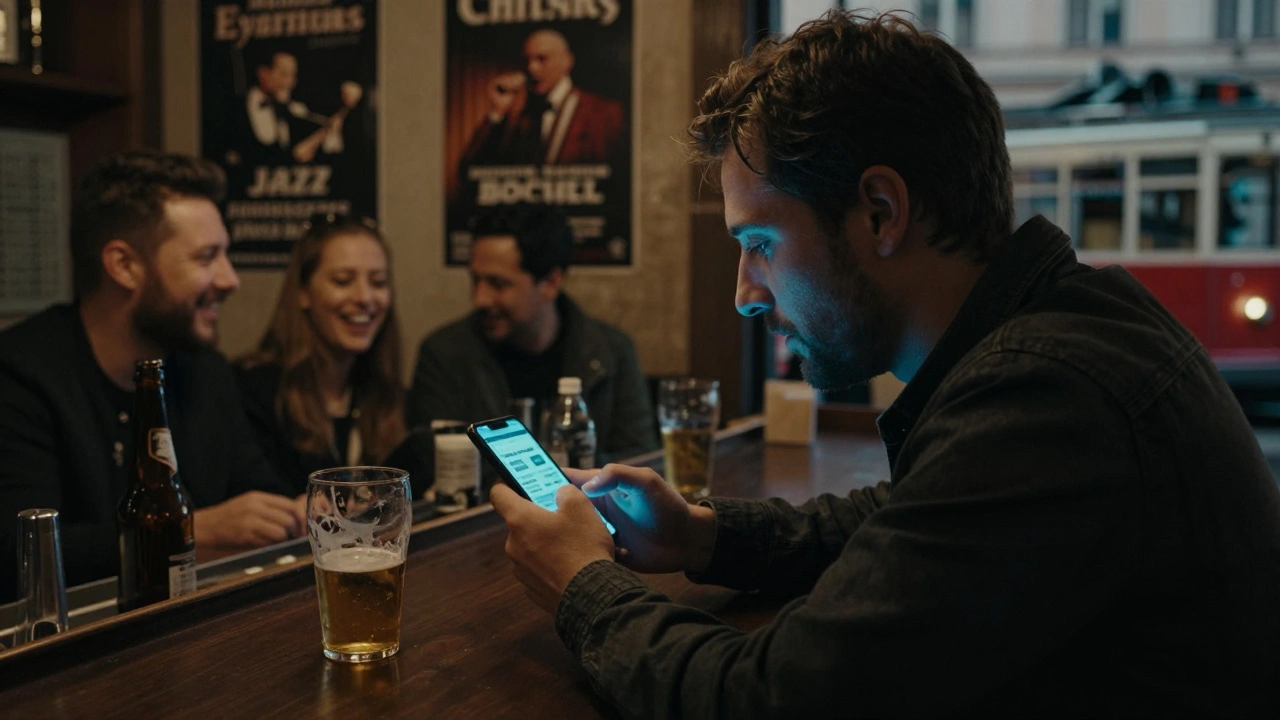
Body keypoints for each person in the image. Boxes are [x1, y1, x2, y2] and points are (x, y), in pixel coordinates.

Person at [487, 11, 1280, 718]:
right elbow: (908, 517)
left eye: (760, 244)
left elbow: (771, 699)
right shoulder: (1059, 335)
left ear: (879, 213)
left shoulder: (1050, 398)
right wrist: (700, 536)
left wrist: (582, 585)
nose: (744, 295)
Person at [0, 151, 306, 601]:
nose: (230, 279)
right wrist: (191, 529)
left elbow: (256, 491)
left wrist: (290, 515)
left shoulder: (204, 369)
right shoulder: (21, 373)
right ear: (124, 265)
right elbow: (18, 553)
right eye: (207, 257)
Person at [408, 202, 657, 464]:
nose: (480, 298)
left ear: (551, 283)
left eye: (497, 284)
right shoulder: (445, 354)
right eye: (475, 280)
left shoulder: (610, 352)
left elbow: (638, 461)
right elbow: (434, 465)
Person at [235, 214, 431, 498]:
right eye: (343, 281)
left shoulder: (388, 394)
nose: (365, 297)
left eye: (378, 282)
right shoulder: (254, 391)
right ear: (303, 292)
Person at [459, 29, 625, 168]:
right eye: (527, 60)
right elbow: (470, 169)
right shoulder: (518, 117)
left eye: (542, 59)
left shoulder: (606, 113)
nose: (531, 68)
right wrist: (497, 112)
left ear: (567, 61)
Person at [245, 50, 362, 165]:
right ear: (263, 73)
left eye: (293, 75)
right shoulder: (243, 107)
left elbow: (299, 153)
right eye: (283, 74)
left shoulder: (294, 107)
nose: (290, 82)